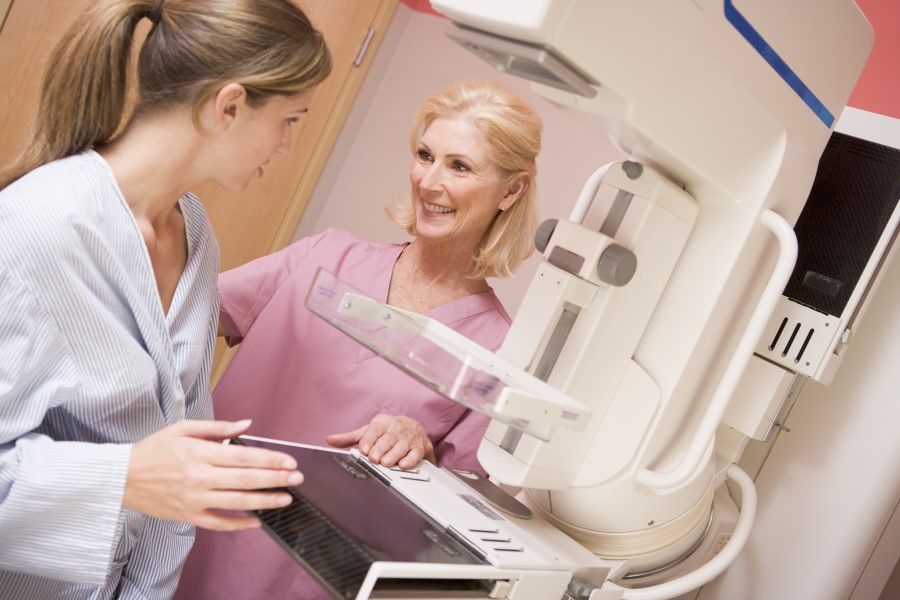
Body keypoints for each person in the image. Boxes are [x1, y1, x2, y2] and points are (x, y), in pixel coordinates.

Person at [0, 0, 331, 598]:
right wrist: (121, 477)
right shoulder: (35, 229)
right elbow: (146, 475)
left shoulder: (193, 232)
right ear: (229, 105)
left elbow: (178, 448)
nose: (286, 146)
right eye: (291, 119)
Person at [175, 79, 543, 599]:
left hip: (311, 576)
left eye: (459, 166)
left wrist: (421, 449)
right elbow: (177, 315)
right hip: (190, 525)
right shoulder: (327, 256)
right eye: (424, 155)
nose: (430, 181)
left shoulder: (496, 349)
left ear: (511, 189)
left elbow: (460, 517)